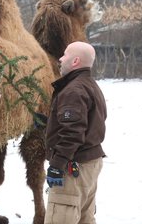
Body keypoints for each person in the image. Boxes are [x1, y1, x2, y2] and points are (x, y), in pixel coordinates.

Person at [44, 41, 107, 224]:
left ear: (75, 61)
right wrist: (49, 124)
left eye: (65, 55)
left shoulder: (73, 90)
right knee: (84, 218)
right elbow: (87, 123)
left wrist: (57, 165)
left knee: (61, 218)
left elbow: (73, 133)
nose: (60, 59)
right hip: (90, 164)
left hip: (73, 167)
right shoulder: (90, 85)